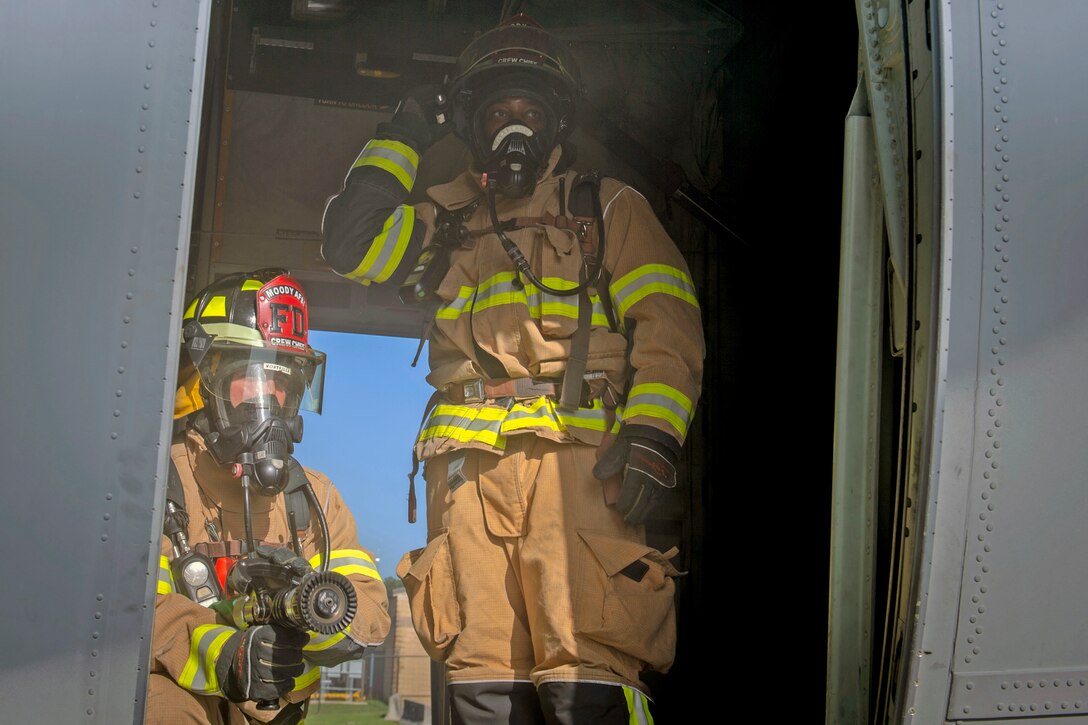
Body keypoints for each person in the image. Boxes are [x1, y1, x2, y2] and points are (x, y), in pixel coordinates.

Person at [321, 14, 705, 725]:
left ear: (556, 123)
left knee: (588, 667)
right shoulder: (445, 224)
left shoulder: (607, 209)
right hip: (469, 482)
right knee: (483, 680)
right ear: (474, 124)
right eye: (499, 110)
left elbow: (670, 322)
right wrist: (407, 130)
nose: (515, 126)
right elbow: (350, 241)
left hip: (582, 474)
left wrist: (653, 433)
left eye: (530, 110)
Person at [146, 268, 391, 725]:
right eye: (253, 377)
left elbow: (369, 613)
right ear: (208, 383)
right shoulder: (159, 483)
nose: (271, 398)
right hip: (185, 705)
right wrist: (231, 655)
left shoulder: (314, 496)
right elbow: (139, 613)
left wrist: (308, 609)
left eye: (283, 381)